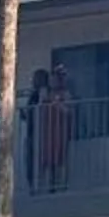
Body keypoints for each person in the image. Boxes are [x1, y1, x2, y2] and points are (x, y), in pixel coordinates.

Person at [39, 61, 76, 192]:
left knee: (60, 159)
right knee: (47, 159)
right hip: (48, 131)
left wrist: (58, 105)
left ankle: (61, 186)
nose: (53, 80)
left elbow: (70, 111)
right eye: (52, 78)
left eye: (56, 77)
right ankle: (48, 187)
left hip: (60, 131)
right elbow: (39, 109)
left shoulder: (65, 94)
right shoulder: (46, 95)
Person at [19, 69, 50, 192]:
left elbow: (41, 107)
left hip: (41, 133)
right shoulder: (33, 94)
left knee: (38, 160)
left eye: (36, 78)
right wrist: (24, 113)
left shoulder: (44, 92)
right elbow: (29, 112)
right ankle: (32, 187)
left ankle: (39, 187)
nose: (34, 81)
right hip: (31, 132)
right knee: (29, 161)